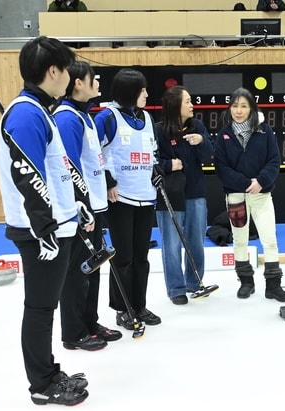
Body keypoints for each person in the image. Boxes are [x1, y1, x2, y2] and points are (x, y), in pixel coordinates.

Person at [0, 36, 88, 406]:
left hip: (56, 225)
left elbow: (53, 173)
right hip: (40, 233)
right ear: (54, 71)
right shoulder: (26, 114)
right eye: (66, 69)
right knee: (39, 307)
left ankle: (47, 371)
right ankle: (42, 384)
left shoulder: (40, 111)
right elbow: (27, 176)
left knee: (45, 305)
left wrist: (73, 206)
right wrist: (46, 229)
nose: (69, 76)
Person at [54, 61, 123, 351]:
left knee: (92, 268)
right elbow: (67, 168)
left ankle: (89, 322)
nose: (97, 81)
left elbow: (93, 162)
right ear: (77, 83)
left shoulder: (85, 117)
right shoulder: (67, 118)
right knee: (77, 272)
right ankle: (73, 333)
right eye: (91, 77)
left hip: (95, 206)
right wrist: (81, 209)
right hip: (81, 210)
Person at [94, 68, 162, 329]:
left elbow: (152, 153)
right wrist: (108, 180)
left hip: (146, 196)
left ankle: (139, 305)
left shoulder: (146, 117)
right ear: (130, 92)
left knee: (141, 256)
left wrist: (157, 172)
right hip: (120, 198)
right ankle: (122, 308)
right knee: (123, 257)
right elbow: (93, 152)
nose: (146, 94)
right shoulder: (107, 118)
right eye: (142, 90)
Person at [213, 87, 285, 302]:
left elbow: (275, 161)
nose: (238, 110)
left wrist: (261, 182)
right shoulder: (224, 135)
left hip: (262, 195)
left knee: (269, 240)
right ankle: (246, 282)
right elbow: (221, 167)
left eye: (243, 106)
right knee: (239, 241)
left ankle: (273, 286)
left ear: (252, 108)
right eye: (235, 105)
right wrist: (246, 183)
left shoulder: (265, 132)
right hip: (236, 197)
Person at [154, 86, 213, 305]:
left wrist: (202, 141)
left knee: (196, 240)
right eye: (187, 101)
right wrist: (170, 164)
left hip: (196, 192)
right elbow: (151, 161)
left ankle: (194, 282)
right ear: (175, 105)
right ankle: (176, 288)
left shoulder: (197, 126)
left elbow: (209, 154)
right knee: (171, 243)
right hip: (170, 194)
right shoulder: (158, 131)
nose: (192, 105)